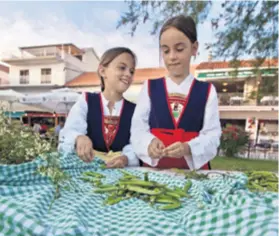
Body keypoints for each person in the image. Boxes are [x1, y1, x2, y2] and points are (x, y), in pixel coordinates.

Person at [131, 15, 221, 170]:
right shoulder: (149, 87)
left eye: (179, 49)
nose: (172, 57)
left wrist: (188, 147)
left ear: (194, 48)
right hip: (155, 171)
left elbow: (212, 135)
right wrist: (149, 143)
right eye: (165, 51)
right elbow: (138, 128)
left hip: (194, 173)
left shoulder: (207, 91)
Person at [58, 47, 139, 168]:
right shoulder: (86, 101)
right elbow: (67, 134)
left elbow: (137, 144)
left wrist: (126, 158)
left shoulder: (134, 110)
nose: (128, 74)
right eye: (122, 68)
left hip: (122, 175)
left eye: (131, 71)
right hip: (86, 172)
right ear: (102, 71)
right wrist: (78, 138)